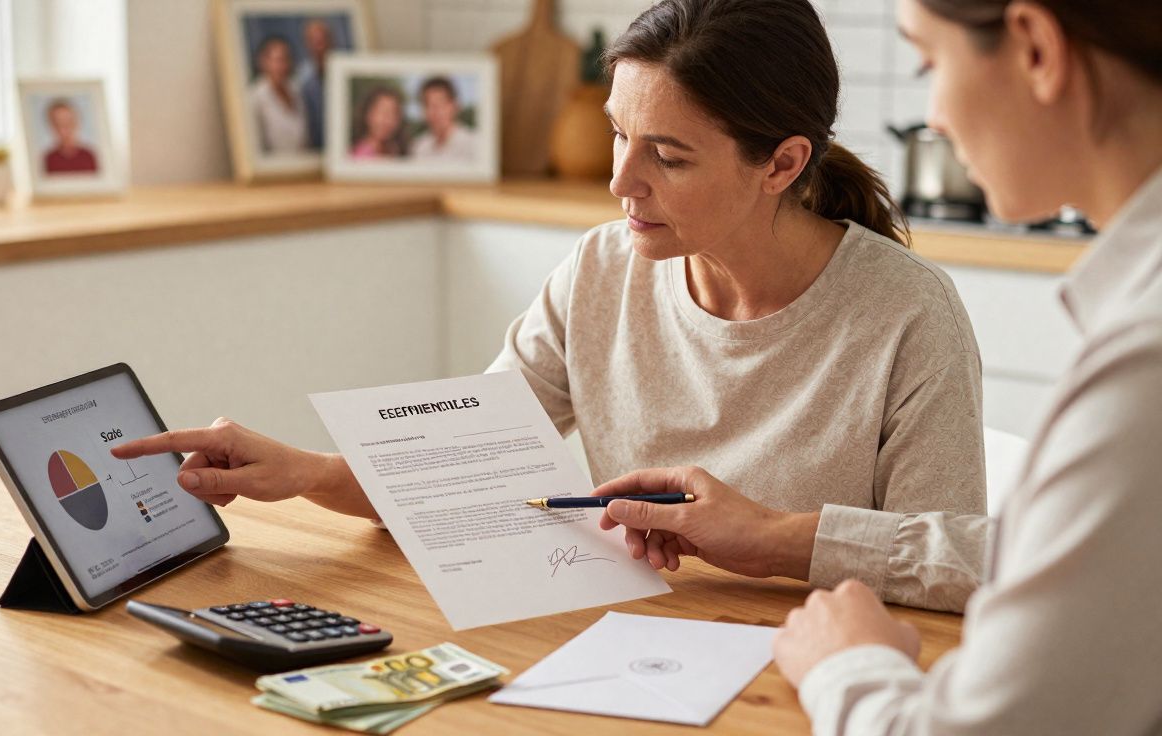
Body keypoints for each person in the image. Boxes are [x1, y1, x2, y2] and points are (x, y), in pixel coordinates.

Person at [113, 0, 991, 615]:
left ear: (783, 162)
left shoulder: (907, 315)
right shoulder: (603, 271)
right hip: (632, 654)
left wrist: (770, 538)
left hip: (821, 678)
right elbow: (464, 468)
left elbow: (959, 562)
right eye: (618, 131)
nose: (619, 181)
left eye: (668, 156)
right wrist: (305, 471)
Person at [768, 0, 1162, 732]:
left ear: (1037, 48)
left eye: (930, 63)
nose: (936, 117)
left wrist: (845, 661)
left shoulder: (1145, 362)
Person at [248, 34, 307, 155]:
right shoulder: (254, 97)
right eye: (277, 60)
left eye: (286, 59)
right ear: (263, 62)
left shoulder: (296, 90)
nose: (282, 66)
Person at [410, 76, 477, 162]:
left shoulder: (474, 145)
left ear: (455, 106)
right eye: (427, 105)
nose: (434, 112)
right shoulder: (418, 147)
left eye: (440, 104)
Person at [293, 18, 333, 150]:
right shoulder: (301, 78)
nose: (319, 45)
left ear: (330, 40)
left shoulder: (344, 68)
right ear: (307, 44)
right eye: (314, 41)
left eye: (322, 40)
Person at [43, 99, 98, 175]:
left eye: (69, 122)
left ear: (76, 123)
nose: (65, 129)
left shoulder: (89, 156)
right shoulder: (48, 159)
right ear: (52, 126)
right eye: (59, 124)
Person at [350, 87, 406, 159]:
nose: (388, 121)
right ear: (368, 114)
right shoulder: (357, 156)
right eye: (382, 112)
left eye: (394, 113)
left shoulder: (398, 152)